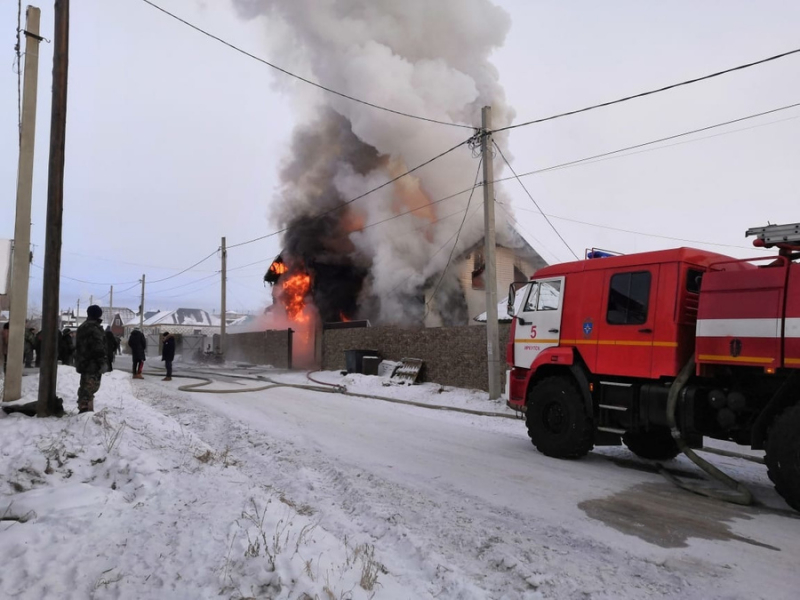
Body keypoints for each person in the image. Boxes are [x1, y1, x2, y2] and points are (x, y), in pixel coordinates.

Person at [74, 305, 107, 413]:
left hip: (83, 361)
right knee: (90, 387)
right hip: (92, 363)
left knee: (85, 386)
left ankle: (85, 408)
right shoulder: (94, 328)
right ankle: (85, 410)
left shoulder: (83, 326)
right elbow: (98, 347)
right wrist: (102, 362)